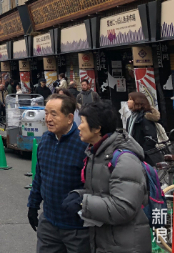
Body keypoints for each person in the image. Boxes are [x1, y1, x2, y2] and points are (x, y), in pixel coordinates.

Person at [73, 101, 151, 253]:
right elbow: (104, 193)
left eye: (82, 122)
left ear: (97, 129)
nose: (79, 126)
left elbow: (123, 207)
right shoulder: (95, 153)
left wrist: (83, 203)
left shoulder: (124, 160)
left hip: (126, 246)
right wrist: (80, 195)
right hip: (107, 241)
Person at [27, 94, 89, 253]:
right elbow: (39, 176)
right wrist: (33, 205)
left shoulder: (84, 145)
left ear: (69, 118)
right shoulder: (46, 139)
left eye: (54, 114)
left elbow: (95, 186)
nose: (48, 118)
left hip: (77, 228)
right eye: (46, 113)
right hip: (49, 223)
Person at [125, 92, 161, 166]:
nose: (128, 101)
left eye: (130, 99)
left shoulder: (144, 118)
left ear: (137, 101)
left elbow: (151, 138)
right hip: (133, 154)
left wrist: (141, 152)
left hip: (144, 157)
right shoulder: (130, 118)